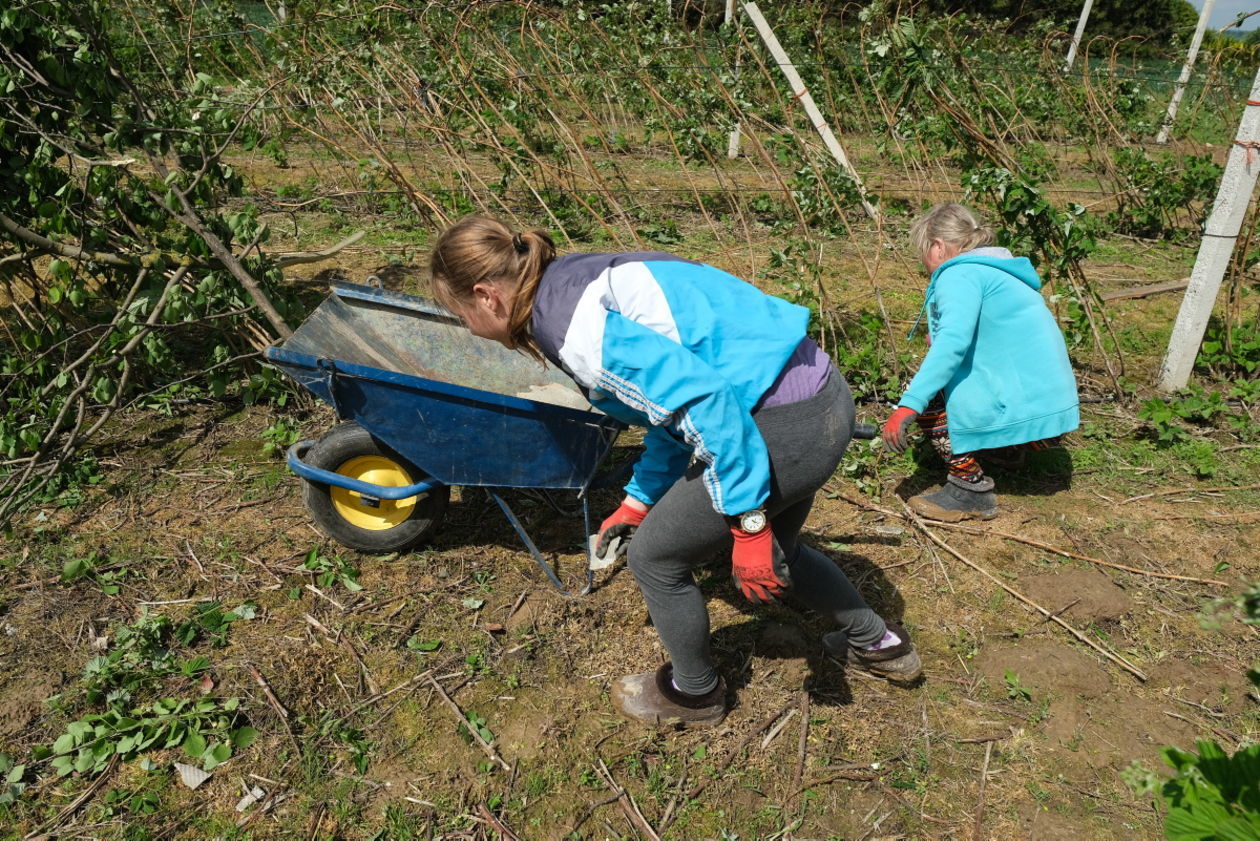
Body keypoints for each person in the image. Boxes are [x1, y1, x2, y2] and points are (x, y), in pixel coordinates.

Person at [429, 216, 920, 728]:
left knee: (656, 559)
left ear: (487, 296)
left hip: (781, 425)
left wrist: (749, 524)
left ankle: (695, 695)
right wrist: (639, 500)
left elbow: (706, 404)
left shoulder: (579, 335)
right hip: (819, 396)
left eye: (459, 312)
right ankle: (879, 644)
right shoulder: (568, 280)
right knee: (783, 551)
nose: (466, 327)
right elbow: (669, 412)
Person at [882, 203, 1079, 521]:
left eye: (923, 251)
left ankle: (968, 489)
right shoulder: (997, 271)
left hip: (1027, 416)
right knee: (957, 379)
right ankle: (1006, 452)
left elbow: (951, 346)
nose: (923, 263)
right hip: (1050, 414)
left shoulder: (959, 273)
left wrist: (909, 405)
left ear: (938, 245)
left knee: (924, 392)